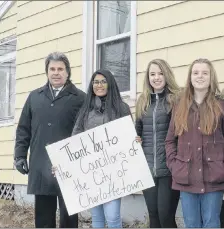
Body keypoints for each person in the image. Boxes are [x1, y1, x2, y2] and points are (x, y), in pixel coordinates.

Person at [165, 58, 224, 228]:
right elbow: (170, 140)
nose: (200, 76)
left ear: (211, 77)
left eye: (205, 73)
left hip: (214, 178)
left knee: (211, 223)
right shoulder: (179, 107)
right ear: (190, 77)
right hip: (186, 176)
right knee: (191, 224)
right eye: (196, 73)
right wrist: (174, 166)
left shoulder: (222, 107)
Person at [14, 52, 86, 228]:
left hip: (68, 166)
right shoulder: (34, 97)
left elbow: (86, 131)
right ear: (46, 72)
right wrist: (20, 156)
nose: (56, 73)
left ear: (68, 72)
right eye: (52, 69)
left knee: (69, 217)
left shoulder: (80, 98)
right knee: (43, 217)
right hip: (41, 163)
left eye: (60, 69)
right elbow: (23, 129)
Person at [72, 69, 132, 228]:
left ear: (110, 84)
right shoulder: (85, 110)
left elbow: (128, 137)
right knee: (97, 218)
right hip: (91, 171)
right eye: (96, 82)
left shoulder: (121, 108)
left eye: (103, 81)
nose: (99, 85)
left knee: (112, 217)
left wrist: (134, 140)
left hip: (113, 171)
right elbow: (75, 139)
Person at [134, 59, 181, 228]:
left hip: (168, 169)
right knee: (153, 217)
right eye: (152, 74)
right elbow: (136, 132)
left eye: (160, 73)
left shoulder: (176, 100)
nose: (156, 77)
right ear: (148, 77)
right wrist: (136, 139)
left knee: (166, 216)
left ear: (167, 75)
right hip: (148, 169)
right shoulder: (143, 101)